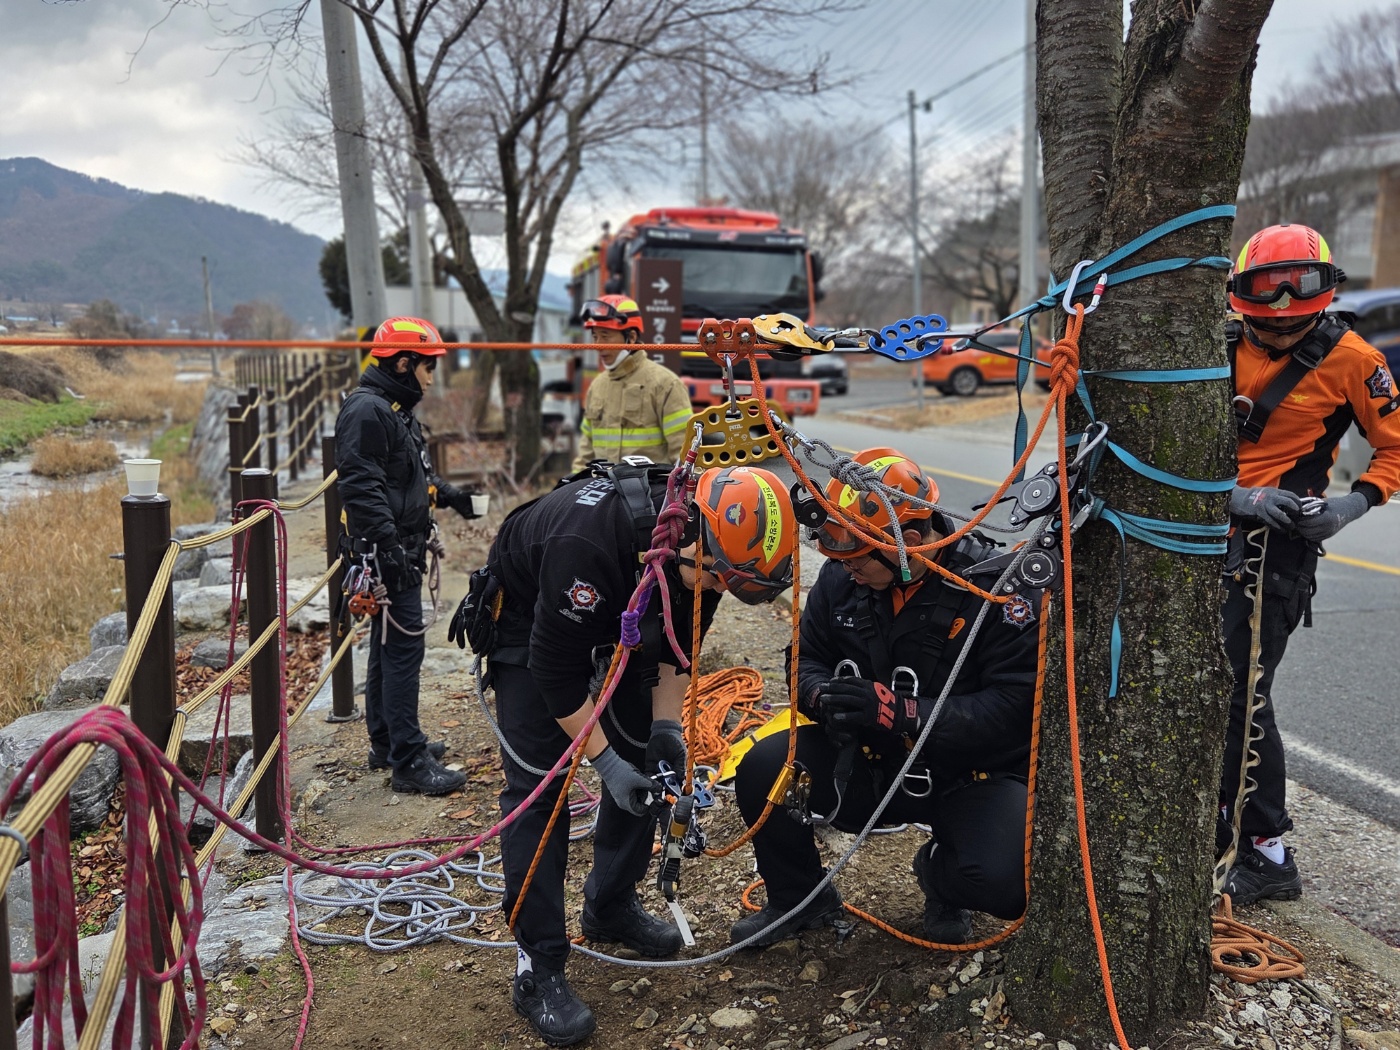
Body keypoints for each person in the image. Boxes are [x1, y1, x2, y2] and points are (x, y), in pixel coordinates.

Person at [471, 462, 797, 1046]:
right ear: (696, 537)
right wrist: (604, 762)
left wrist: (665, 731)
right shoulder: (588, 545)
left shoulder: (704, 559)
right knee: (538, 789)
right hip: (531, 623)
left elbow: (677, 648)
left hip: (620, 606)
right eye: (720, 580)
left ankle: (610, 905)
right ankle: (537, 966)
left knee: (648, 758)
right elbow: (556, 673)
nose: (720, 590)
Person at [727, 448, 1039, 948]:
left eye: (855, 560)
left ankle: (941, 877)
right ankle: (797, 897)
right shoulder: (844, 578)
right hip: (872, 765)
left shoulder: (1002, 591)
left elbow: (1012, 711)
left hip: (969, 775)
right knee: (764, 766)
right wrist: (821, 696)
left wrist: (899, 712)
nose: (844, 570)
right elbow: (803, 658)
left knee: (1007, 884)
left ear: (909, 542)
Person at [1219, 224, 1400, 903]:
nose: (1280, 338)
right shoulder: (1213, 346)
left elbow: (1395, 448)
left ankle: (1267, 851)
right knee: (1201, 689)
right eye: (1268, 329)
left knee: (1241, 695)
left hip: (1275, 551)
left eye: (1296, 328)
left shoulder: (1354, 359)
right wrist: (1237, 497)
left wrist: (1348, 508)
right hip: (1203, 525)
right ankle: (1217, 828)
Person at [335, 316, 480, 796]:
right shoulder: (368, 412)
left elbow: (408, 478)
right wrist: (390, 549)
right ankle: (408, 762)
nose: (432, 376)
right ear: (403, 362)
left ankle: (388, 741)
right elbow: (361, 488)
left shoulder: (392, 408)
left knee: (388, 646)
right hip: (385, 552)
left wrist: (451, 495)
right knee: (402, 651)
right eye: (428, 366)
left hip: (395, 547)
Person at [570, 295, 694, 471]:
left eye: (605, 336)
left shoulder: (666, 385)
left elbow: (684, 456)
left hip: (650, 494)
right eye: (595, 337)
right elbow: (585, 454)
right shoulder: (597, 386)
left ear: (632, 337)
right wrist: (570, 488)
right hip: (602, 492)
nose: (598, 345)